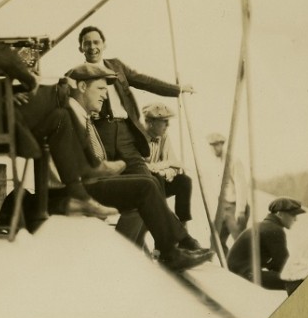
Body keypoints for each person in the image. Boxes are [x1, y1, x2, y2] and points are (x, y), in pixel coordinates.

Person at [0, 0, 123, 220]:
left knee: (60, 117)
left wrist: (3, 95)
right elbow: (22, 72)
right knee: (61, 92)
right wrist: (27, 84)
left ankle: (79, 196)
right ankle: (91, 165)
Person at [63, 62, 212, 271]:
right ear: (81, 87)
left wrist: (114, 166)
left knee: (150, 181)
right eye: (101, 89)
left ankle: (171, 247)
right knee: (146, 186)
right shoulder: (68, 114)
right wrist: (116, 166)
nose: (105, 97)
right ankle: (173, 250)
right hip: (82, 187)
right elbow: (76, 164)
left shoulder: (81, 114)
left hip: (91, 179)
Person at [77, 25, 195, 176]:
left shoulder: (116, 65)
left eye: (96, 42)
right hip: (100, 133)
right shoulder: (76, 75)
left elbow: (144, 81)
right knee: (108, 182)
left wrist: (177, 89)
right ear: (81, 48)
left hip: (126, 133)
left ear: (104, 45)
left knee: (146, 178)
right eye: (87, 43)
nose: (92, 47)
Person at [226, 197, 305, 290]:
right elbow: (283, 265)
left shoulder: (266, 225)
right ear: (279, 214)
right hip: (245, 272)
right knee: (298, 281)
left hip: (239, 269)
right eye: (293, 215)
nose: (295, 219)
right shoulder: (275, 230)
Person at [142, 103, 193, 225]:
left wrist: (164, 171)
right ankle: (165, 230)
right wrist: (165, 165)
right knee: (156, 180)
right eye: (165, 121)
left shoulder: (163, 136)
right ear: (151, 122)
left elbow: (174, 164)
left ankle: (183, 224)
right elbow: (142, 167)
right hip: (142, 183)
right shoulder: (139, 136)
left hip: (158, 180)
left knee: (184, 181)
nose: (168, 125)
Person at [203, 132, 249, 252]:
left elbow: (241, 186)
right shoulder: (213, 163)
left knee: (239, 241)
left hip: (234, 207)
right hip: (222, 207)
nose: (214, 148)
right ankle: (228, 266)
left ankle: (246, 269)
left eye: (216, 145)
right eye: (211, 145)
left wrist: (240, 210)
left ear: (222, 144)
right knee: (215, 240)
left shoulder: (233, 160)